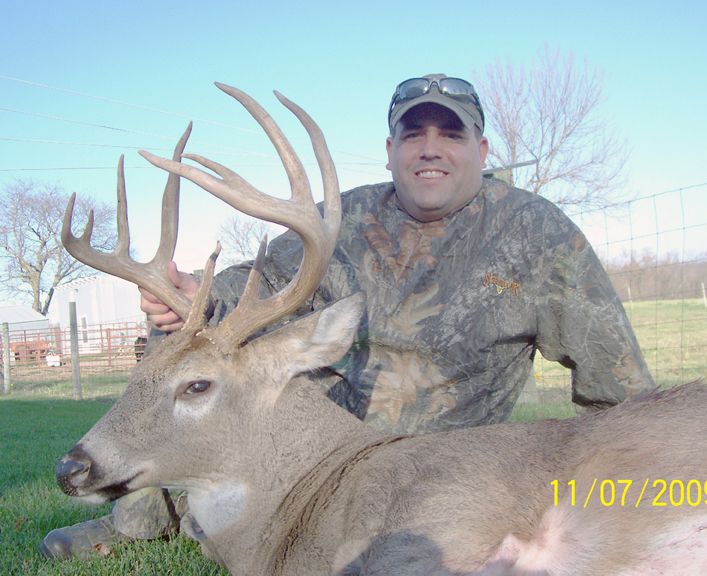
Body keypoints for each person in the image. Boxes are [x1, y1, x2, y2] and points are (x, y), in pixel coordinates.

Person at [41, 73, 654, 559]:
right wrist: (188, 289)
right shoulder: (347, 221)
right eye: (414, 134)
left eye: (451, 134)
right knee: (191, 374)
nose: (431, 149)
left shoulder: (536, 232)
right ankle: (138, 521)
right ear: (390, 149)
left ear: (481, 148)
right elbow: (259, 287)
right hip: (323, 462)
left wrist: (627, 481)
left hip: (453, 475)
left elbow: (617, 385)